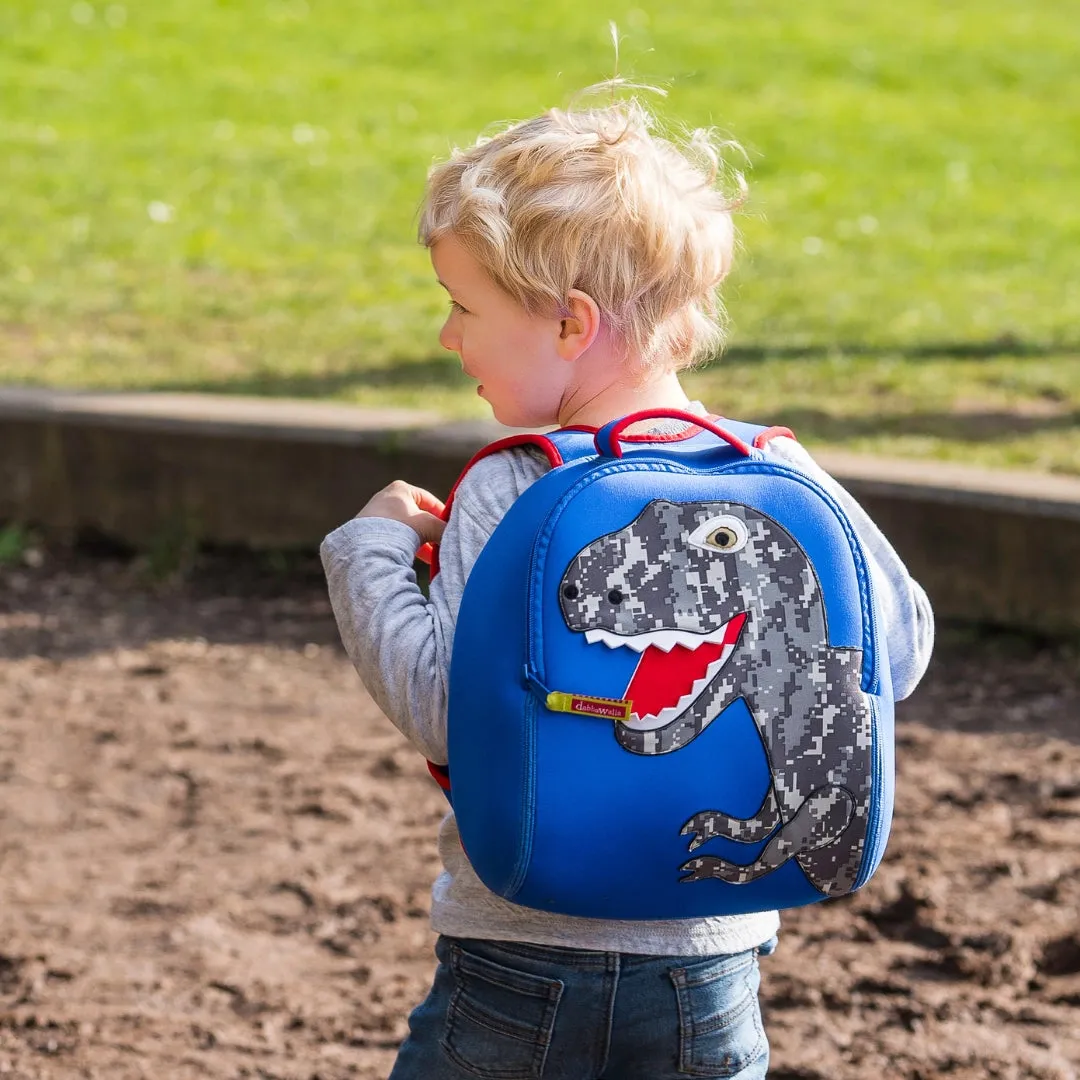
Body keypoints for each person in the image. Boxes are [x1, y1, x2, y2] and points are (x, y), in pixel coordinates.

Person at [321, 91, 934, 1080]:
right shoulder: (779, 477)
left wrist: (368, 551)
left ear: (571, 323)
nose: (448, 339)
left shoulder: (524, 486)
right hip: (713, 957)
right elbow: (898, 651)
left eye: (462, 306)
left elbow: (445, 713)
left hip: (519, 956)